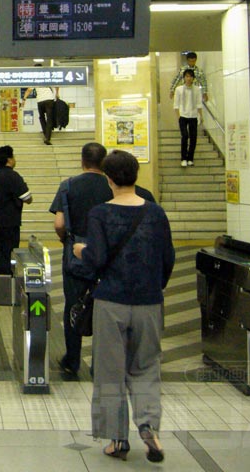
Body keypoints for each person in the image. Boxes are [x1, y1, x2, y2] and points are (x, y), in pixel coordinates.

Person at [73, 150, 175, 463]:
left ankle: (117, 441)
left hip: (111, 302)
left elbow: (96, 260)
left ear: (108, 178)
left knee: (109, 372)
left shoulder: (101, 213)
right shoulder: (156, 213)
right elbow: (167, 258)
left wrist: (80, 252)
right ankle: (149, 428)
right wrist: (154, 286)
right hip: (148, 302)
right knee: (146, 367)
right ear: (135, 176)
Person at [50, 142, 146, 378]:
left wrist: (68, 242)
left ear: (82, 161)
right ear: (104, 163)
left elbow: (59, 224)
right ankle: (99, 362)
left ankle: (72, 359)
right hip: (110, 255)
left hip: (76, 255)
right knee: (106, 307)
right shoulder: (113, 186)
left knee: (74, 305)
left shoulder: (68, 186)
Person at [0, 145, 32, 275]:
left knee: (3, 249)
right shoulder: (13, 176)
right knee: (8, 250)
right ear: (9, 159)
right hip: (9, 221)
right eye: (13, 156)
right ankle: (2, 278)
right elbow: (27, 197)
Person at [174, 68, 203, 167]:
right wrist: (178, 117)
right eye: (187, 76)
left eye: (190, 76)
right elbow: (176, 104)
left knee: (193, 137)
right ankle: (183, 158)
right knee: (185, 136)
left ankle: (190, 158)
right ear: (184, 78)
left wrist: (201, 115)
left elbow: (199, 103)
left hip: (193, 115)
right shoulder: (179, 89)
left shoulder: (197, 90)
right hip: (182, 115)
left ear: (193, 78)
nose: (189, 78)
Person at [23, 76, 60, 145]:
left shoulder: (34, 79)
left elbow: (29, 90)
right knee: (49, 118)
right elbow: (56, 84)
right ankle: (47, 137)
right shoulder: (47, 77)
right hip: (49, 100)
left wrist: (24, 99)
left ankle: (46, 134)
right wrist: (57, 94)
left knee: (42, 117)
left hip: (40, 101)